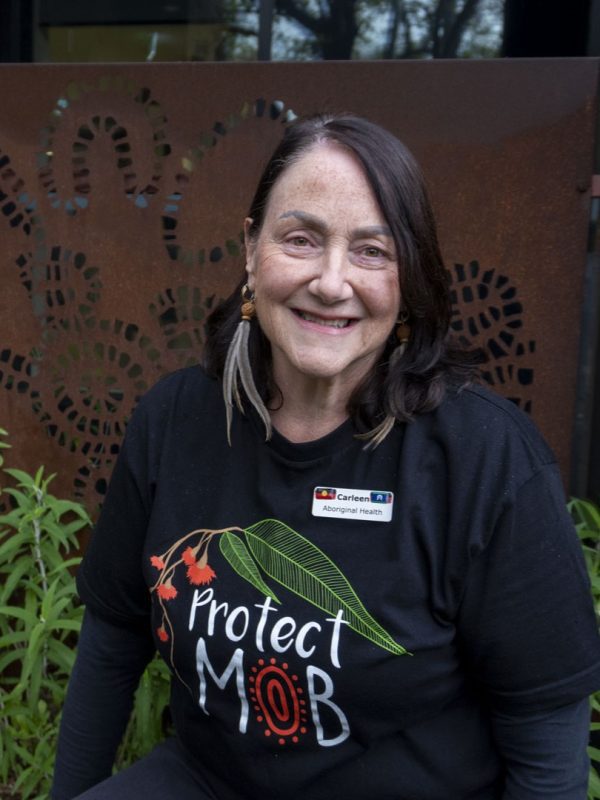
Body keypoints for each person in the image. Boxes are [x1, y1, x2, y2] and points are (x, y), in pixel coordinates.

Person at [52, 113, 600, 800]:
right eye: (302, 239)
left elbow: (547, 743)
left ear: (410, 277)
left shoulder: (486, 463)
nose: (332, 282)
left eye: (372, 251)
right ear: (252, 250)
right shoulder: (178, 420)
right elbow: (112, 641)